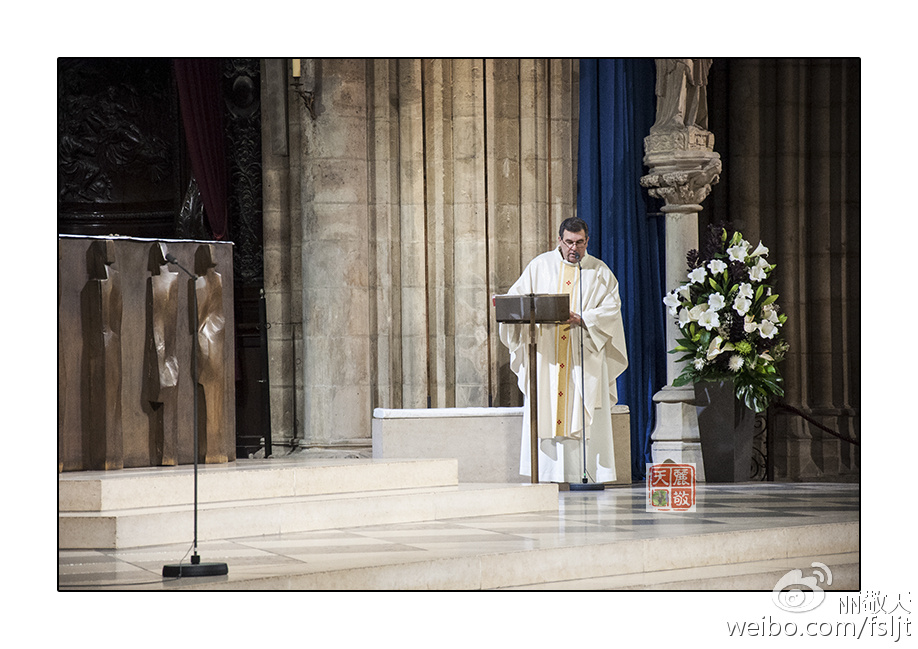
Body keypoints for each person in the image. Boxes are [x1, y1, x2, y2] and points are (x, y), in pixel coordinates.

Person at [499, 217, 628, 483]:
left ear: (587, 241)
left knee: (583, 409)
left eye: (580, 243)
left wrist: (584, 319)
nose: (574, 248)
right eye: (568, 242)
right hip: (547, 355)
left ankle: (589, 474)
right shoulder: (539, 266)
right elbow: (516, 300)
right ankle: (548, 474)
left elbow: (612, 311)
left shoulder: (600, 272)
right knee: (547, 406)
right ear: (559, 240)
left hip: (584, 357)